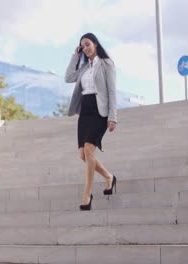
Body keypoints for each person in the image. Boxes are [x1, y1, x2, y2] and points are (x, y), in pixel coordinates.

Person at [65, 32, 117, 211]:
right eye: (82, 46)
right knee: (83, 155)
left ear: (95, 44)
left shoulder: (106, 64)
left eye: (87, 44)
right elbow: (68, 78)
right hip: (85, 111)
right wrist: (75, 56)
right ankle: (109, 177)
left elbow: (112, 92)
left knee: (89, 150)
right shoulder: (83, 68)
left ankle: (86, 195)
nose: (86, 48)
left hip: (99, 110)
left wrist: (113, 117)